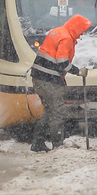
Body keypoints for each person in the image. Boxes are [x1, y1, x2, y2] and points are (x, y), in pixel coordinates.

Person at [29, 14, 91, 152]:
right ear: (76, 28)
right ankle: (58, 145)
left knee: (49, 111)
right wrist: (78, 71)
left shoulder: (57, 32)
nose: (81, 35)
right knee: (58, 112)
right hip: (49, 80)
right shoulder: (66, 38)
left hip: (38, 77)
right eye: (81, 31)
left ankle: (38, 142)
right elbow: (62, 62)